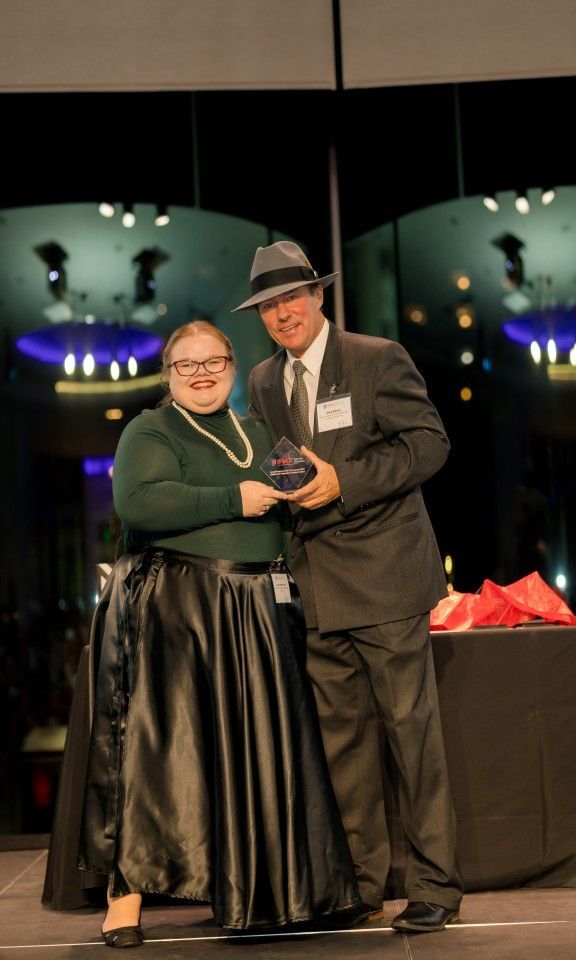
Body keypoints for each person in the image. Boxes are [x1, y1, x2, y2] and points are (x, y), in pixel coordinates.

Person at [78, 320, 361, 947]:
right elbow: (142, 503)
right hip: (178, 610)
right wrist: (237, 498)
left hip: (256, 609)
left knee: (251, 754)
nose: (202, 373)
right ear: (169, 374)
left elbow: (295, 505)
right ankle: (123, 897)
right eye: (187, 364)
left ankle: (266, 890)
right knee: (159, 759)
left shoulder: (257, 432)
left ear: (232, 366)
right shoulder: (149, 430)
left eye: (214, 361)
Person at [233, 241, 463, 934]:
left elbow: (429, 445)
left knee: (410, 736)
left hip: (386, 577)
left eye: (291, 299)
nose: (282, 313)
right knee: (344, 746)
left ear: (319, 296)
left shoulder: (375, 357)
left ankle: (435, 886)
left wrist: (345, 483)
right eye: (269, 305)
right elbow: (286, 465)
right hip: (317, 585)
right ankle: (362, 884)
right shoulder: (265, 381)